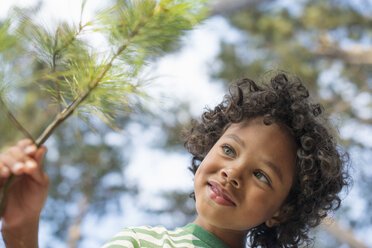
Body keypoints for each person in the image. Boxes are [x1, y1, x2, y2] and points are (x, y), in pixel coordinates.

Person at [0, 72, 350, 248]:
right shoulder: (141, 242)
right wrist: (20, 228)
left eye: (261, 174)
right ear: (207, 149)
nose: (233, 172)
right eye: (229, 150)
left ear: (281, 211)